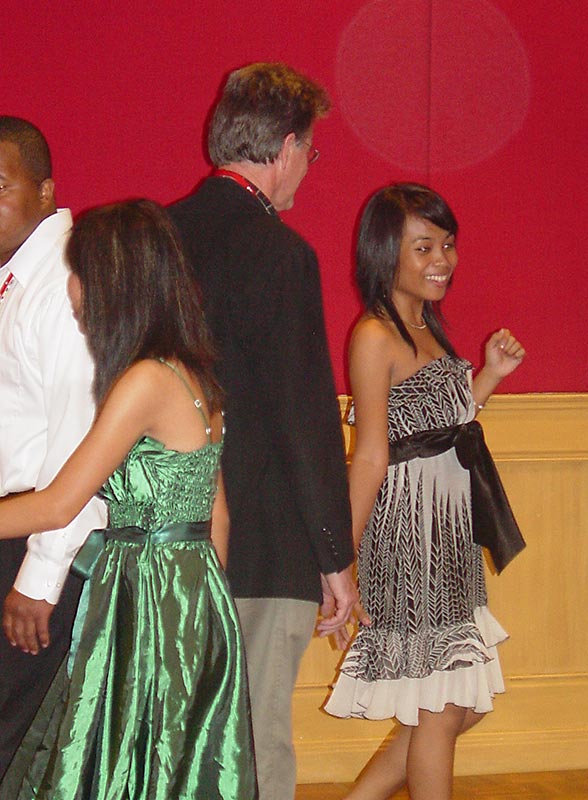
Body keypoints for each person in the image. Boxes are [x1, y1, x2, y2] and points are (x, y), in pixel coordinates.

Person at [0, 200, 257, 800]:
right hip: (181, 591)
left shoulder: (145, 380)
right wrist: (202, 611)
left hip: (149, 592)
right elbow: (217, 517)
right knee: (160, 762)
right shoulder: (190, 372)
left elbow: (58, 504)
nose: (71, 288)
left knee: (124, 763)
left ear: (115, 281)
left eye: (79, 271)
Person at [170, 62, 360, 800]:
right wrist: (335, 557)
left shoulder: (156, 236)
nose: (308, 167)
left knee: (179, 736)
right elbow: (302, 415)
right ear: (285, 149)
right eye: (310, 151)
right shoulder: (280, 253)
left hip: (165, 533)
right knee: (254, 741)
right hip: (265, 542)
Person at [325, 183, 526, 800]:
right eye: (423, 247)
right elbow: (371, 455)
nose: (442, 259)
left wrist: (488, 376)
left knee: (452, 707)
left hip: (448, 537)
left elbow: (439, 426)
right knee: (442, 709)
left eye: (447, 244)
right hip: (410, 539)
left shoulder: (425, 326)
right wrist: (340, 560)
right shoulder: (374, 335)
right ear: (386, 254)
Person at [0, 116, 106, 783]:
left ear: (46, 190)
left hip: (38, 546)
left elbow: (78, 444)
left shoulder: (64, 279)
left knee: (18, 747)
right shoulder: (17, 275)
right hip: (14, 531)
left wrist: (39, 581)